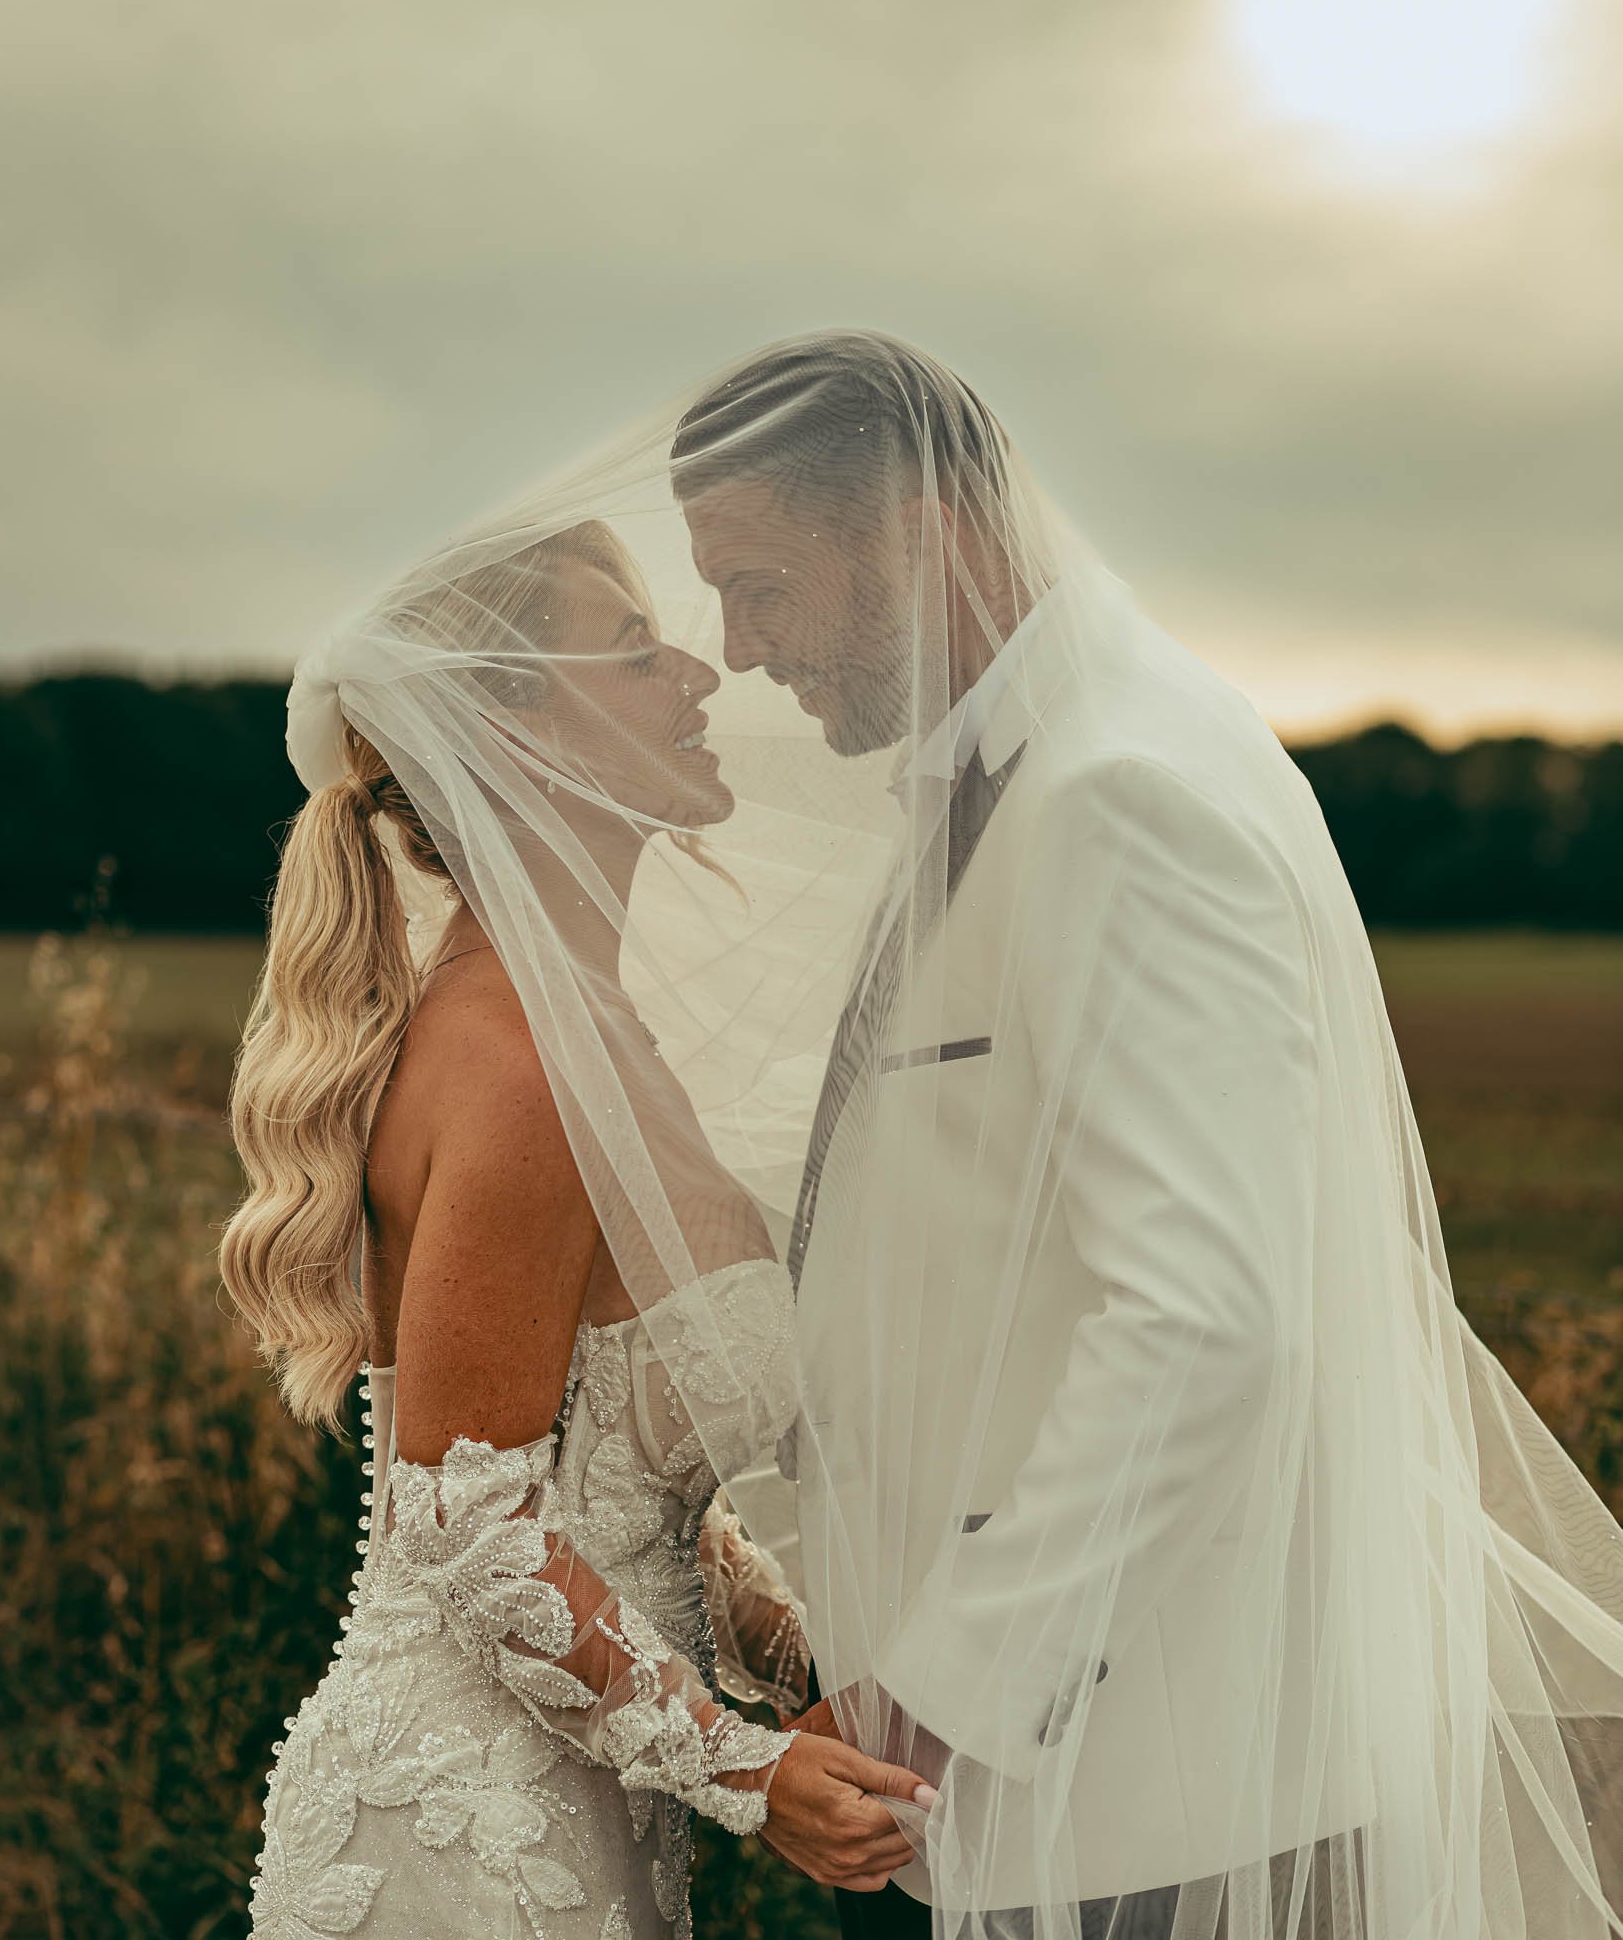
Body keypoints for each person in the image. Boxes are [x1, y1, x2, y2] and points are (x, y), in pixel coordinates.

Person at [670, 332, 1623, 1940]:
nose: (738, 647)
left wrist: (938, 1695)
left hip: (1167, 1780)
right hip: (1087, 1771)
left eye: (758, 582)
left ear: (915, 522)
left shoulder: (1119, 788)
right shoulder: (1020, 770)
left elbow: (1206, 1319)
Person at [221, 519, 936, 1940]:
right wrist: (751, 1771)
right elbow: (467, 1520)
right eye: (631, 653)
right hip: (465, 1836)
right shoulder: (520, 1062)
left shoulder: (602, 1041)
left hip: (575, 1814)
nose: (698, 672)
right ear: (516, 739)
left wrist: (802, 1649)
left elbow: (615, 1485)